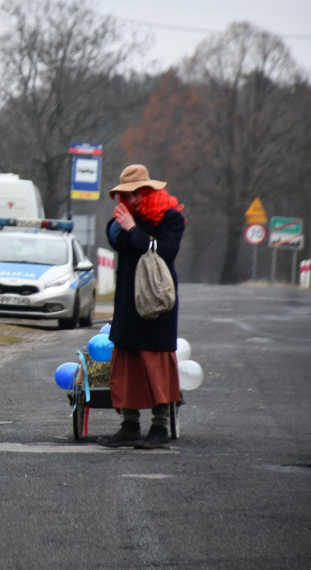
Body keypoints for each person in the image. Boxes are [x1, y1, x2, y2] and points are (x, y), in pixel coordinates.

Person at [98, 164, 186, 449]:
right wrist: (124, 227)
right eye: (127, 195)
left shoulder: (171, 218)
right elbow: (117, 241)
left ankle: (159, 427)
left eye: (139, 193)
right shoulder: (120, 222)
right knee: (128, 365)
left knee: (156, 364)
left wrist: (133, 228)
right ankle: (130, 425)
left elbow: (165, 250)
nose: (133, 199)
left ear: (151, 191)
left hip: (156, 301)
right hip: (128, 302)